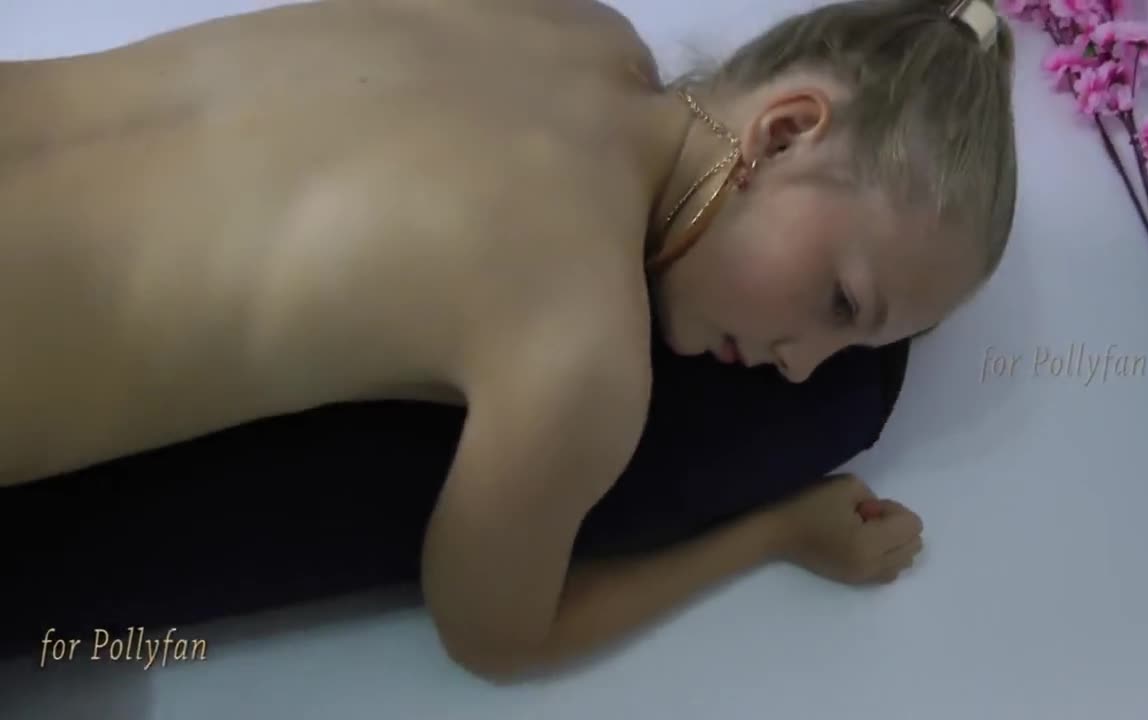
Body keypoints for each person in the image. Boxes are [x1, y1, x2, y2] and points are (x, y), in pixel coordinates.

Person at [0, 0, 1016, 680]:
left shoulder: (572, 23)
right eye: (840, 304)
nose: (799, 367)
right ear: (784, 130)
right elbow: (497, 638)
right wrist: (776, 532)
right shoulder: (580, 349)